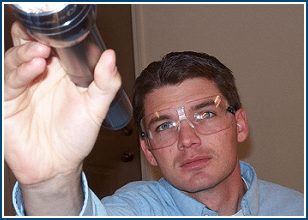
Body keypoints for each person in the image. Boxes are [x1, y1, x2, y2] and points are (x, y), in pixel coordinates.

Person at [4, 21, 304, 216]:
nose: (187, 140)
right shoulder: (136, 209)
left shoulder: (294, 208)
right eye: (164, 126)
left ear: (239, 125)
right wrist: (50, 184)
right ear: (148, 151)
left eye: (205, 114)